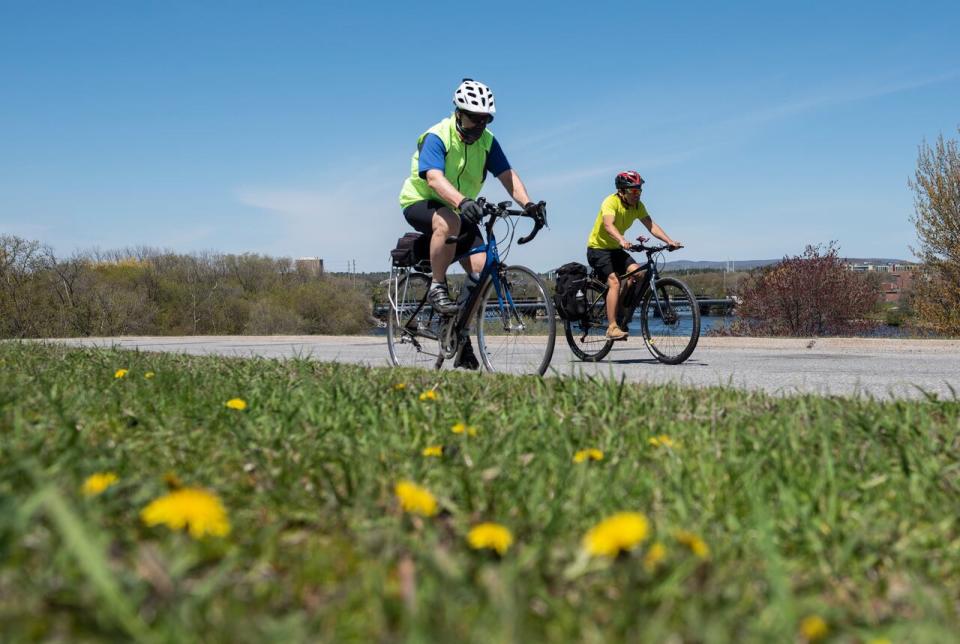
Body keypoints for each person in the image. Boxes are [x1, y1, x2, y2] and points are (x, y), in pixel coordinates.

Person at [398, 78, 543, 369]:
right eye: (473, 119)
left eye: (485, 121)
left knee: (482, 271)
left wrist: (528, 204)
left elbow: (508, 176)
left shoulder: (488, 142)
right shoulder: (437, 135)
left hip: (461, 207)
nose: (479, 126)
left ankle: (458, 333)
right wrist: (463, 202)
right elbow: (434, 178)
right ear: (458, 112)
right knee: (448, 220)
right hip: (421, 202)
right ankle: (437, 287)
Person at [586, 171, 682, 340]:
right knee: (614, 281)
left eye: (640, 191)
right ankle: (612, 327)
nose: (638, 195)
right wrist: (622, 240)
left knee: (638, 273)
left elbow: (651, 226)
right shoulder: (611, 202)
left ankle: (622, 311)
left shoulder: (638, 206)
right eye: (634, 191)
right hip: (598, 249)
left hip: (615, 250)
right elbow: (608, 225)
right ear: (622, 191)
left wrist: (669, 241)